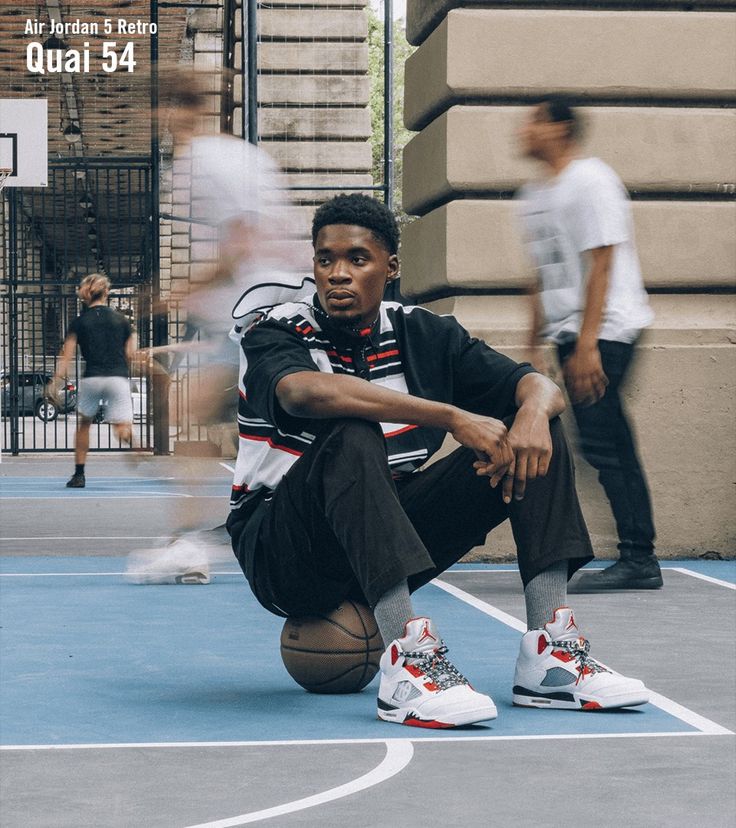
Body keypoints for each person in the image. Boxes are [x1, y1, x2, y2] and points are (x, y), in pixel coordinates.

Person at [226, 193, 649, 728]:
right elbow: (306, 393)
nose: (338, 274)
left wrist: (535, 413)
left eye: (357, 260)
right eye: (325, 259)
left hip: (376, 536)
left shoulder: (421, 332)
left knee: (536, 432)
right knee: (353, 431)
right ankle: (408, 658)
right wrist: (452, 416)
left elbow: (537, 385)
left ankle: (551, 655)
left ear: (390, 267)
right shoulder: (277, 328)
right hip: (284, 551)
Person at [126, 68, 311, 585]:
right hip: (278, 304)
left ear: (171, 111)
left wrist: (174, 295)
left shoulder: (200, 161)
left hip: (256, 312)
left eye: (158, 109)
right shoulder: (243, 154)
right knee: (273, 429)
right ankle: (210, 539)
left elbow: (240, 244)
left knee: (190, 415)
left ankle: (188, 545)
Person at [516, 97, 662, 592]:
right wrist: (535, 338)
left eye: (534, 121)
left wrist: (589, 345)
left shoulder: (591, 180)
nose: (524, 130)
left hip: (607, 329)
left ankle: (639, 558)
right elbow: (543, 271)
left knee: (605, 441)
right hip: (570, 333)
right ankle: (630, 554)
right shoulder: (535, 192)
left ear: (559, 129)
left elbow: (602, 262)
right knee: (598, 440)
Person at [52, 273, 135, 489]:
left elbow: (66, 356)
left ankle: (79, 474)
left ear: (86, 295)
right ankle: (127, 435)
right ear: (106, 292)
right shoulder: (122, 321)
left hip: (93, 377)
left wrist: (56, 381)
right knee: (121, 425)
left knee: (84, 425)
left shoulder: (79, 322)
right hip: (117, 376)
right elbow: (131, 354)